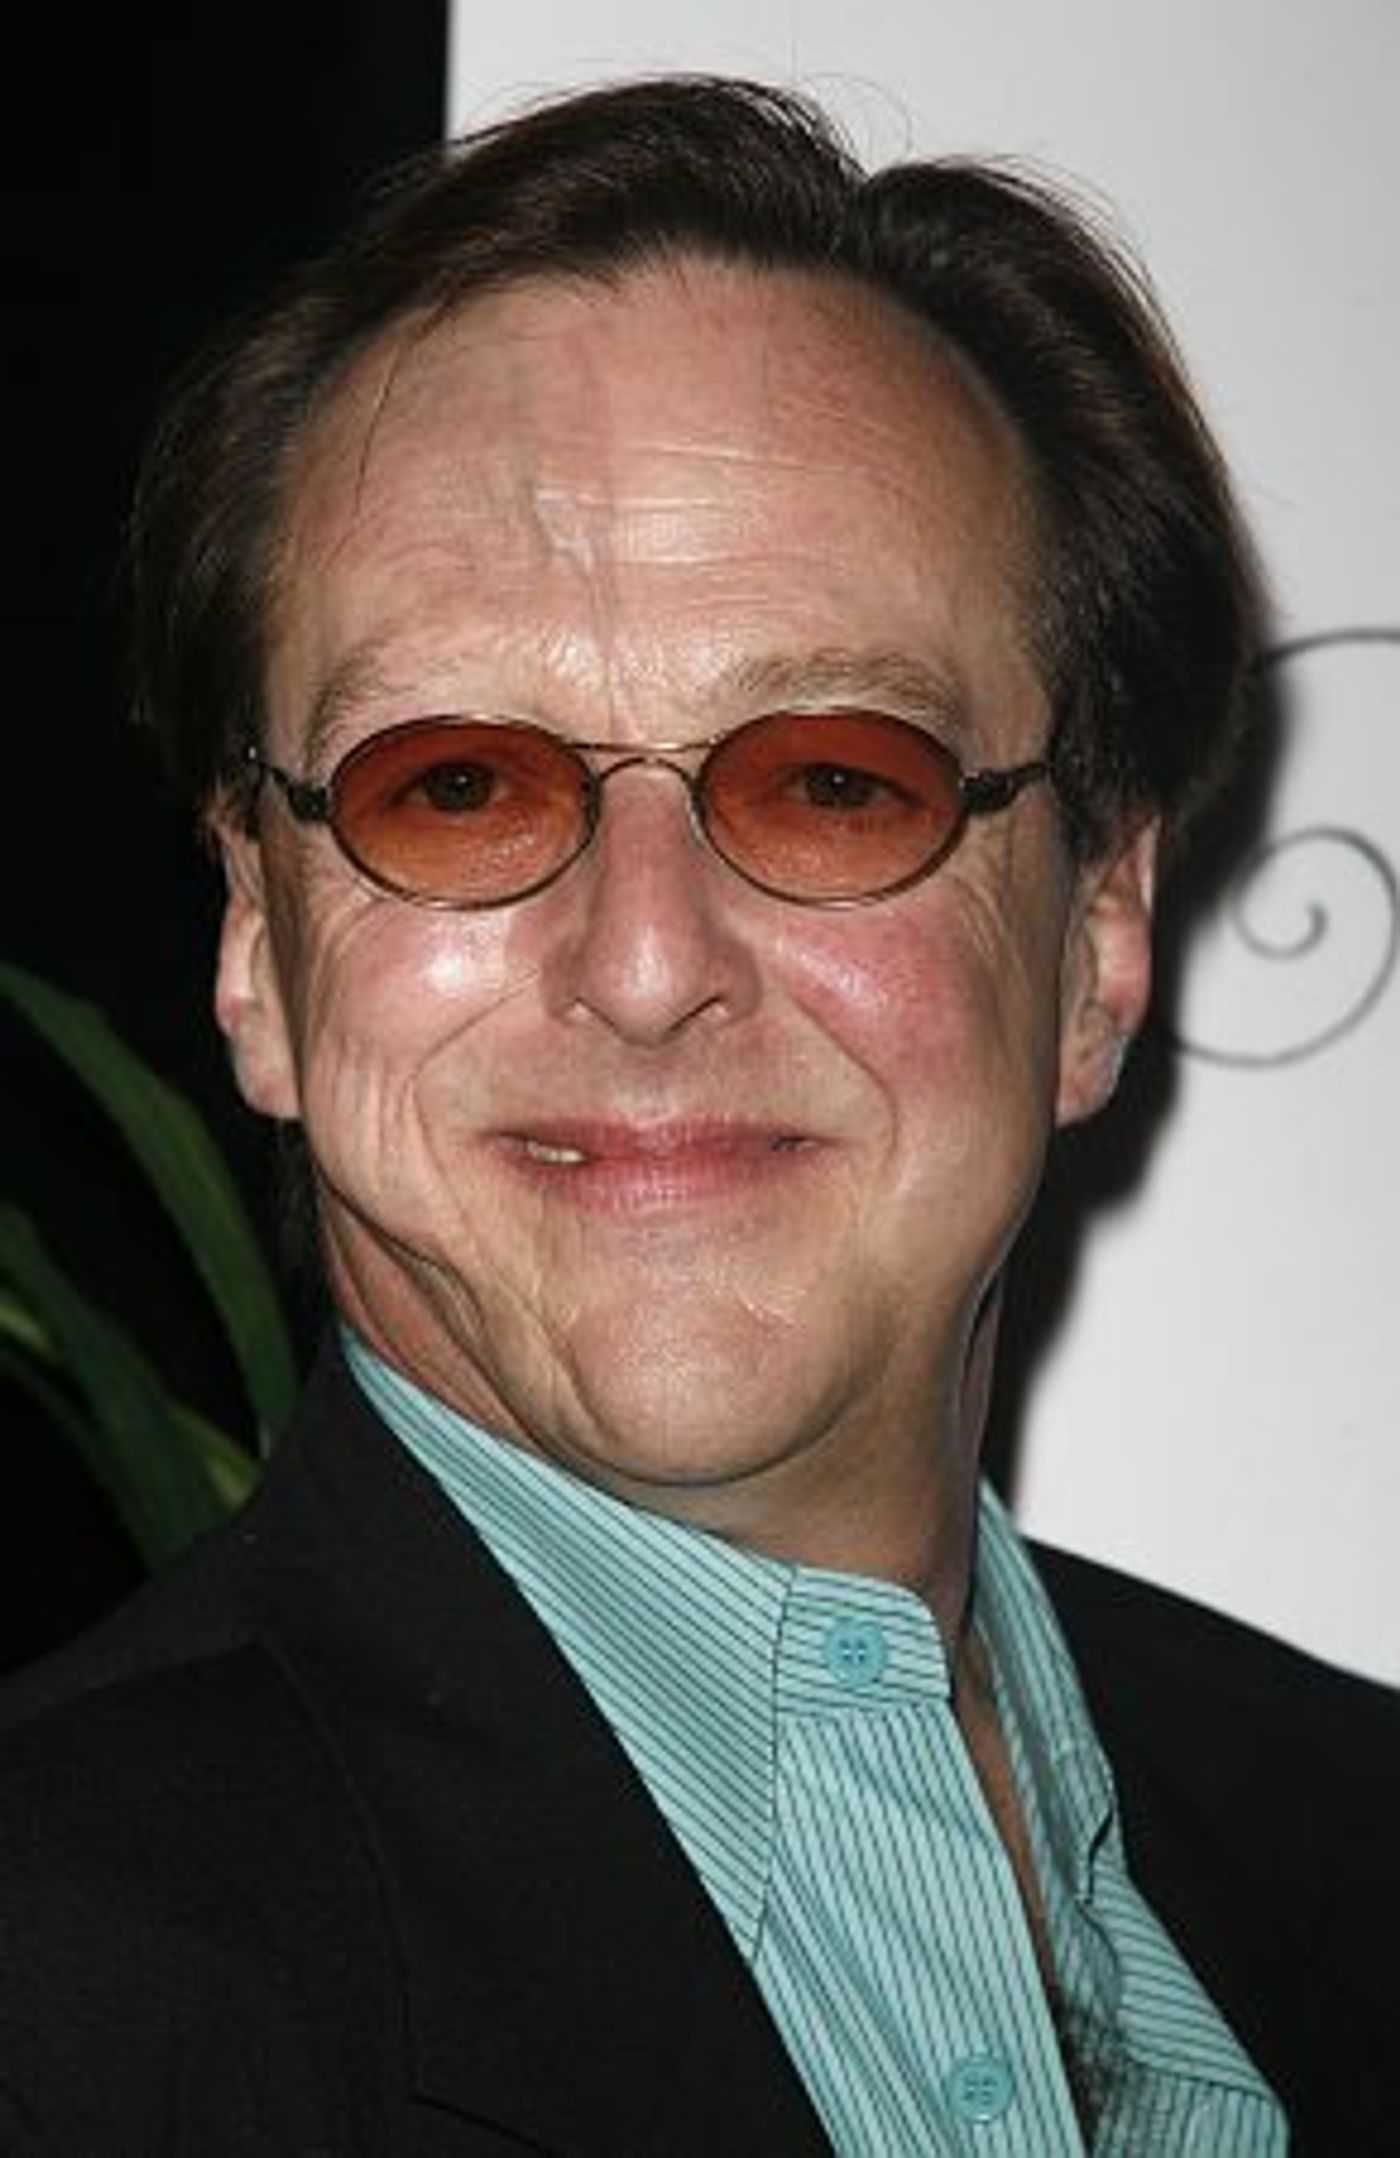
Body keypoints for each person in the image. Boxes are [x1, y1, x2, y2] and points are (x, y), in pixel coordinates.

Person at [0, 74, 1394, 2158]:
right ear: (261, 953)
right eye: (453, 785)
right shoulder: (57, 2002)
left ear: (1098, 933)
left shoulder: (1356, 1832)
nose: (646, 960)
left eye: (832, 780)